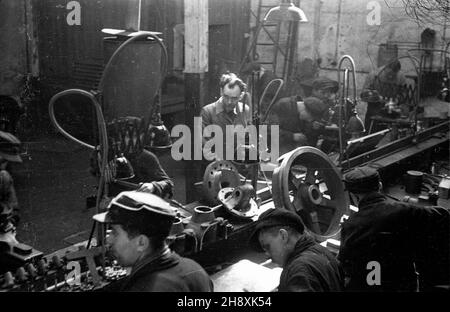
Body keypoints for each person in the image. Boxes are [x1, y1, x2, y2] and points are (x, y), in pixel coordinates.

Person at [340, 166, 450, 292]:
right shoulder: (406, 210)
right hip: (405, 284)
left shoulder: (350, 226)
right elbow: (443, 216)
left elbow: (345, 265)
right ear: (380, 186)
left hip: (373, 284)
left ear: (353, 195)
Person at [93, 190, 214, 292]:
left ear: (141, 243)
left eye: (114, 232)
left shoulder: (144, 288)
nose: (108, 239)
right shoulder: (195, 270)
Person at [249, 208, 344, 292]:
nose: (267, 254)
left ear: (283, 236)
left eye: (267, 247)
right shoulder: (321, 251)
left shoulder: (298, 272)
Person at [90, 116, 174, 199]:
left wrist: (152, 186)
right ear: (118, 137)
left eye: (135, 136)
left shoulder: (147, 157)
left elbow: (167, 182)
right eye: (126, 136)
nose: (131, 141)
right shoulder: (108, 156)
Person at [264, 77, 339, 155]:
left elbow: (307, 132)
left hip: (293, 148)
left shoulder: (304, 110)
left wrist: (316, 128)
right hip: (275, 149)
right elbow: (270, 130)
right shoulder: (283, 106)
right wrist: (292, 136)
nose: (326, 96)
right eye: (323, 93)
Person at [200, 72, 252, 160]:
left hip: (239, 164)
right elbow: (204, 145)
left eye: (234, 98)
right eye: (226, 97)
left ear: (241, 96)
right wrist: (220, 162)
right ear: (221, 92)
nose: (229, 102)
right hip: (216, 166)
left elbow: (248, 138)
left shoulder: (245, 110)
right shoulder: (207, 112)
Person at [0, 130, 22, 226]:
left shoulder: (3, 177)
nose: (3, 166)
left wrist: (10, 222)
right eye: (3, 160)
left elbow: (14, 210)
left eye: (5, 162)